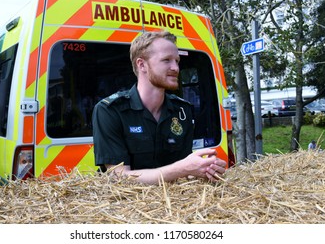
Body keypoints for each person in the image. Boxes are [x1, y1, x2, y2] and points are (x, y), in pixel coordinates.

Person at [92, 30, 227, 185]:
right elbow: (118, 177)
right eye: (166, 60)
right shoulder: (109, 111)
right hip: (126, 205)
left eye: (177, 61)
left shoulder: (182, 111)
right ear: (142, 64)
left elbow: (182, 172)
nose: (175, 68)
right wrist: (183, 169)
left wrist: (204, 169)